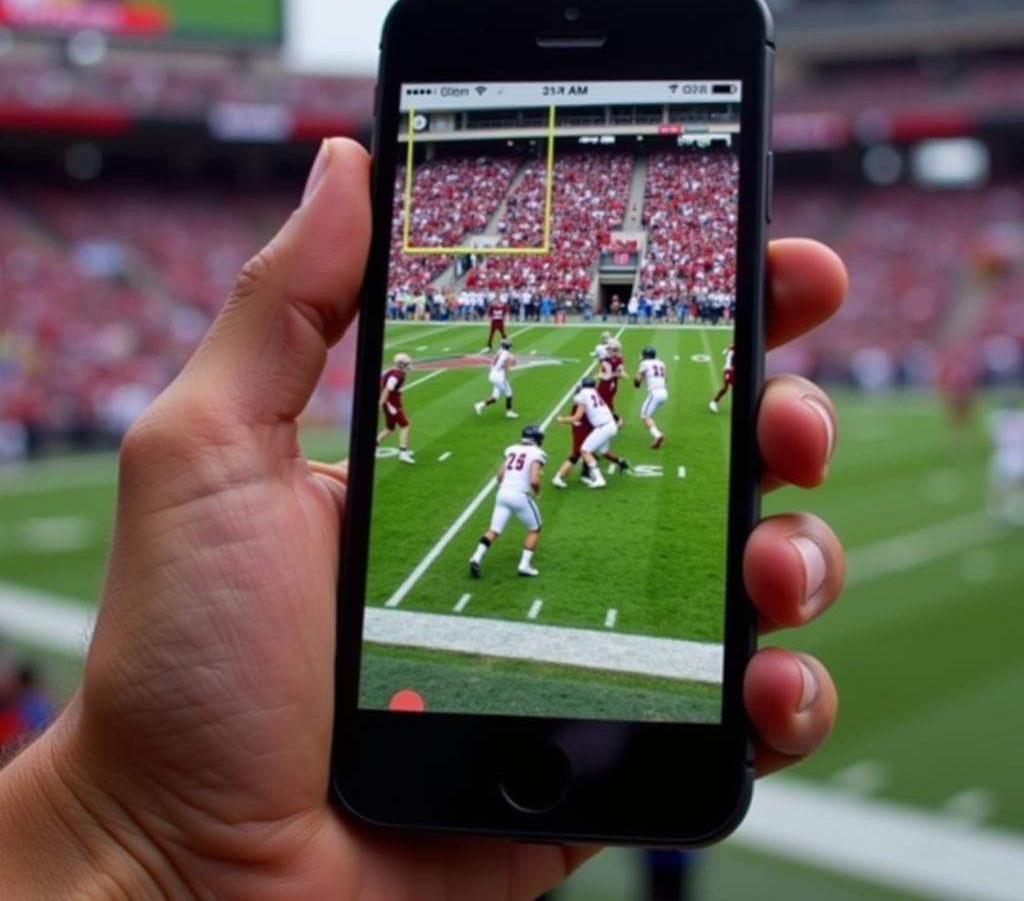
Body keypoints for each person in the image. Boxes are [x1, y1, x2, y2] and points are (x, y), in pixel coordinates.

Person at [0, 139, 847, 900]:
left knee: (530, 482)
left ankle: (510, 543)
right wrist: (150, 844)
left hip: (508, 483)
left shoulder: (554, 388)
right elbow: (565, 430)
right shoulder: (568, 395)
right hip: (549, 465)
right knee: (561, 489)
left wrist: (139, 841)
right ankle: (530, 541)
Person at [468, 424, 546, 579]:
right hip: (519, 495)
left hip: (502, 493)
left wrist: (505, 486)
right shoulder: (538, 453)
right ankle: (524, 565)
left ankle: (476, 557)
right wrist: (537, 492)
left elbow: (500, 473)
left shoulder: (512, 449)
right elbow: (535, 480)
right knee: (535, 528)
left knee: (494, 530)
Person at [555, 376, 617, 488]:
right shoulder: (595, 393)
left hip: (603, 426)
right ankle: (589, 474)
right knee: (599, 451)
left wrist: (562, 419)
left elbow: (577, 417)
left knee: (585, 450)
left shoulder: (583, 395)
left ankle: (599, 479)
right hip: (611, 424)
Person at [377, 351, 415, 464]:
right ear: (400, 364)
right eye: (406, 364)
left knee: (390, 429)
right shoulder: (395, 376)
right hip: (391, 404)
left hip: (391, 402)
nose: (408, 366)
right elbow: (386, 390)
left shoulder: (394, 372)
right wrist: (381, 403)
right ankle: (403, 453)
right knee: (405, 425)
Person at [475, 337, 519, 418]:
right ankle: (509, 412)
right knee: (509, 393)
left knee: (495, 397)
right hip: (499, 377)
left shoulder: (499, 351)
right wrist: (505, 377)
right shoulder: (507, 355)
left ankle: (479, 405)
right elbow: (508, 366)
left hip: (492, 375)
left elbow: (511, 360)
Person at [635, 345, 669, 448]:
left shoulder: (644, 363)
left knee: (644, 416)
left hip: (654, 393)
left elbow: (637, 379)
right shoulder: (662, 363)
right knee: (648, 416)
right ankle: (657, 434)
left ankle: (658, 435)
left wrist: (636, 384)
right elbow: (665, 379)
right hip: (664, 392)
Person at [709, 342, 735, 413]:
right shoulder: (733, 350)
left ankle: (714, 402)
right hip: (729, 370)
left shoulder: (732, 349)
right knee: (726, 388)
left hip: (732, 370)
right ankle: (713, 402)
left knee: (726, 388)